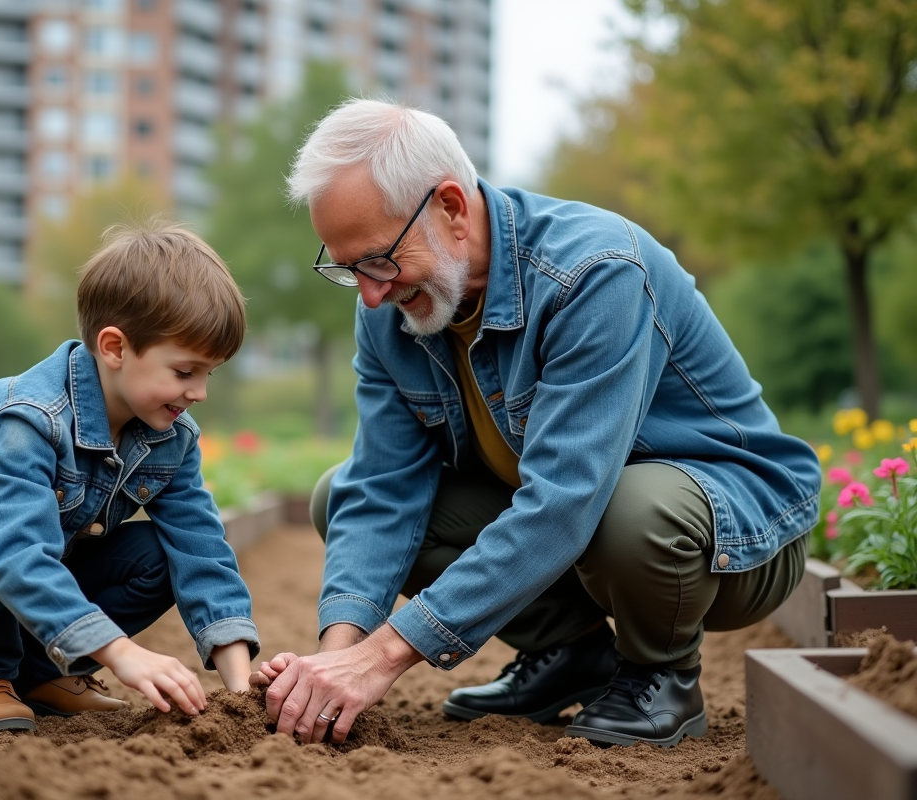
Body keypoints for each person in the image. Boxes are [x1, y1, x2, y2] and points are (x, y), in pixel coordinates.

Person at [254, 99, 820, 749]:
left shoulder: (593, 273)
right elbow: (382, 486)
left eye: (378, 261)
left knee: (630, 510)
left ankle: (662, 678)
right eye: (348, 268)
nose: (371, 293)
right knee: (340, 491)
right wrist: (336, 656)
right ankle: (571, 654)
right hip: (590, 524)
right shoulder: (391, 311)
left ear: (450, 208)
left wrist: (382, 659)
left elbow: (565, 499)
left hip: (732, 536)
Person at [0, 222, 260, 732]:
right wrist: (122, 653)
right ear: (114, 348)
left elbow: (200, 548)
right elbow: (14, 550)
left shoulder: (170, 435)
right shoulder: (29, 418)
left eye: (209, 374)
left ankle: (41, 674)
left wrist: (241, 689)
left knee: (163, 552)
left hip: (31, 572)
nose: (198, 392)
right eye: (184, 372)